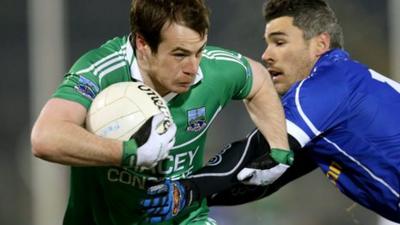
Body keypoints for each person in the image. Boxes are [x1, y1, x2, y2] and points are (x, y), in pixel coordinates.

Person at [30, 0, 291, 224]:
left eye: (199, 51)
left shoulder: (214, 70)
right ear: (143, 45)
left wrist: (279, 148)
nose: (193, 67)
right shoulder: (102, 71)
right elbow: (46, 137)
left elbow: (257, 78)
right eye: (179, 54)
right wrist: (127, 153)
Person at [141, 0, 400, 223]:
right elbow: (258, 180)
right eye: (267, 43)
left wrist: (186, 188)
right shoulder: (342, 96)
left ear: (320, 44)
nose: (266, 55)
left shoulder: (327, 85)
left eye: (279, 42)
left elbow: (254, 150)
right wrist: (182, 196)